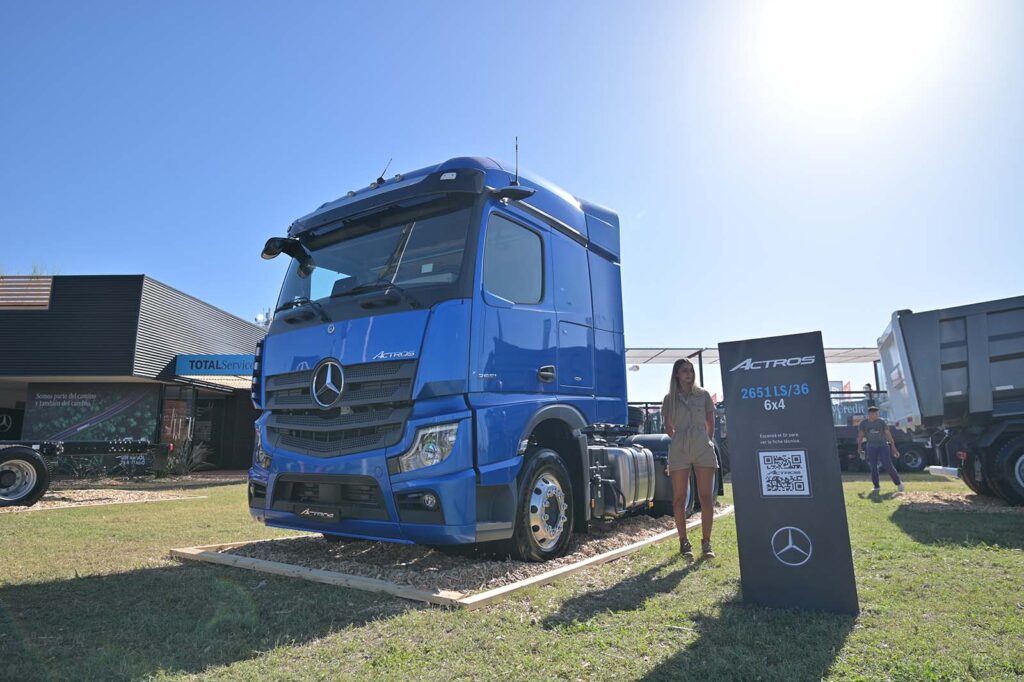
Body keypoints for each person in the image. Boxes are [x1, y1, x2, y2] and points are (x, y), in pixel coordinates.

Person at [661, 358, 719, 559]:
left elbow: (710, 421)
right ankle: (684, 541)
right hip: (679, 448)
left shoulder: (702, 395)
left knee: (705, 497)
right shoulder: (669, 399)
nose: (689, 373)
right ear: (677, 374)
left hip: (702, 446)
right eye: (684, 370)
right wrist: (679, 439)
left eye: (691, 370)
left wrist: (707, 440)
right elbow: (668, 426)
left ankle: (706, 542)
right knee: (678, 498)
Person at [857, 406, 905, 493]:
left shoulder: (881, 422)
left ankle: (899, 483)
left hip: (883, 446)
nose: (876, 415)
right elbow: (860, 435)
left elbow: (888, 434)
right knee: (873, 466)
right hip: (871, 447)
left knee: (887, 464)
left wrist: (893, 447)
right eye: (874, 414)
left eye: (877, 413)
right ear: (870, 414)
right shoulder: (863, 423)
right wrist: (859, 447)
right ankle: (876, 486)